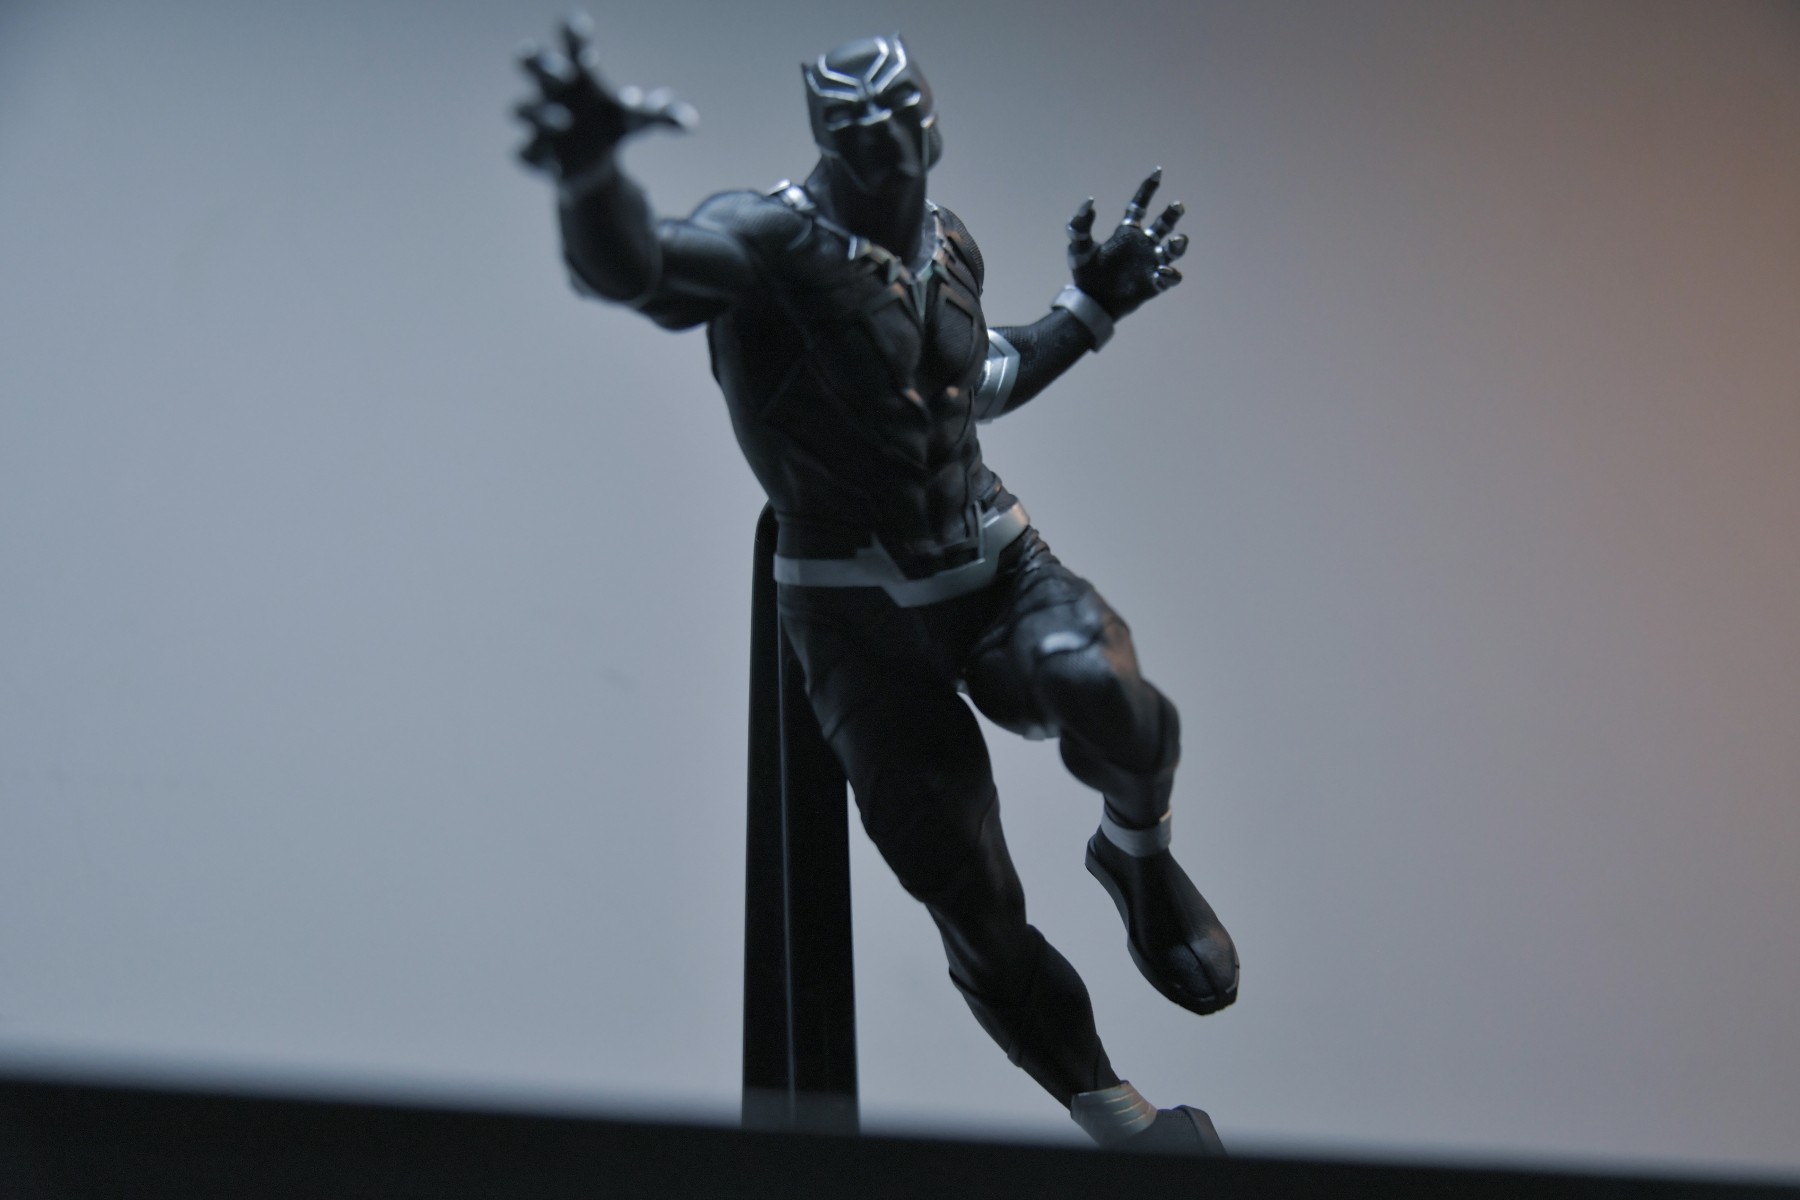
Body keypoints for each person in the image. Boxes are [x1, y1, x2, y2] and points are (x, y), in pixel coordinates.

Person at [513, 20, 1238, 1152]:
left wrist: (1089, 310)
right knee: (974, 901)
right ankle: (1123, 1123)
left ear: (931, 126)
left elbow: (979, 378)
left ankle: (1136, 855)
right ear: (827, 138)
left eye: (902, 119)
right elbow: (638, 268)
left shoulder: (948, 241)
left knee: (1101, 686)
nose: (887, 143)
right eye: (859, 127)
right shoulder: (765, 243)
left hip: (991, 565)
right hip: (856, 614)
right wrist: (590, 173)